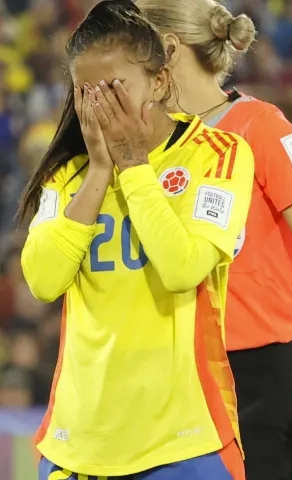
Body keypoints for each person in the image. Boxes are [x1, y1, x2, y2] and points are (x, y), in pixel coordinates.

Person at [16, 1, 254, 479]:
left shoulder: (219, 156)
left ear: (161, 82)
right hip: (77, 446)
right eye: (88, 92)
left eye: (115, 88)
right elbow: (42, 281)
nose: (101, 105)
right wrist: (101, 171)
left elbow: (183, 268)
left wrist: (133, 166)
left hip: (184, 443)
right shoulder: (68, 176)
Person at [137, 1, 292, 479]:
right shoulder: (145, 143)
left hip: (259, 374)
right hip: (173, 373)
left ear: (168, 49)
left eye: (136, 50)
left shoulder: (261, 126)